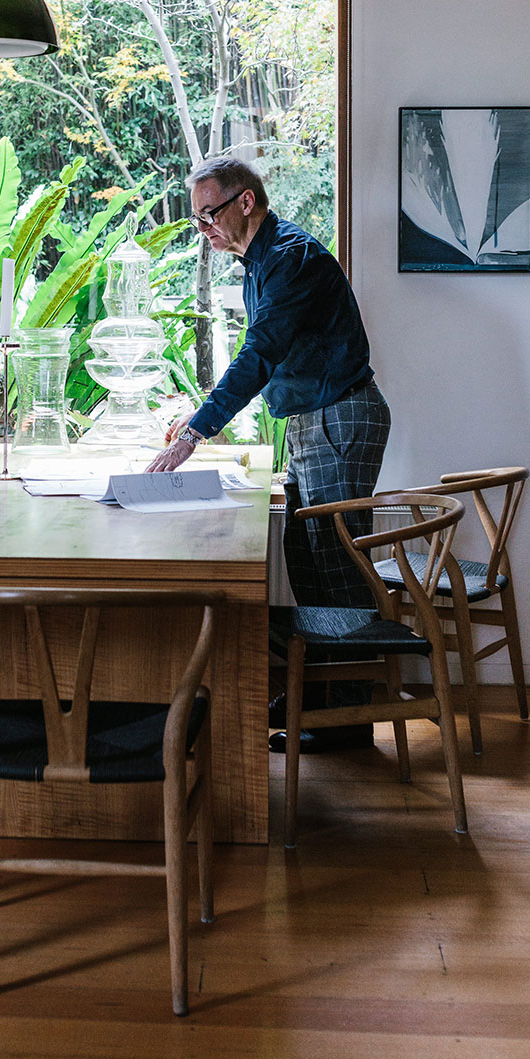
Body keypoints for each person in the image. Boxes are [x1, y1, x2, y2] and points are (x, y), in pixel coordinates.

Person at [147, 156, 391, 741]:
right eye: (197, 220)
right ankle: (323, 703)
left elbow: (259, 356)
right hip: (315, 420)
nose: (202, 230)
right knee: (305, 559)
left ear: (246, 202)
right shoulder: (257, 263)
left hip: (340, 418)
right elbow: (271, 360)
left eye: (208, 215)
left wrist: (196, 432)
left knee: (335, 567)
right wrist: (200, 417)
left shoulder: (289, 259)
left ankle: (347, 720)